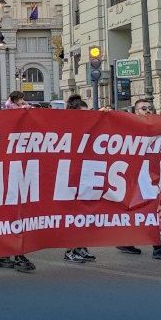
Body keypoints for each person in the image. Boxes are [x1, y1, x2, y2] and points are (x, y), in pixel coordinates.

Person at [115, 98, 161, 261]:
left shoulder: (159, 127)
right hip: (135, 175)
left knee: (137, 209)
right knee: (148, 208)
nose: (148, 110)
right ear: (135, 112)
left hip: (149, 175)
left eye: (150, 108)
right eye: (144, 108)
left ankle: (126, 241)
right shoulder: (130, 128)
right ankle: (157, 247)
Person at [62, 95, 97, 263]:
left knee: (84, 213)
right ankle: (70, 250)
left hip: (85, 174)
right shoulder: (65, 128)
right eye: (83, 113)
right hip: (70, 176)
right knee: (73, 214)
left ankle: (81, 246)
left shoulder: (88, 128)